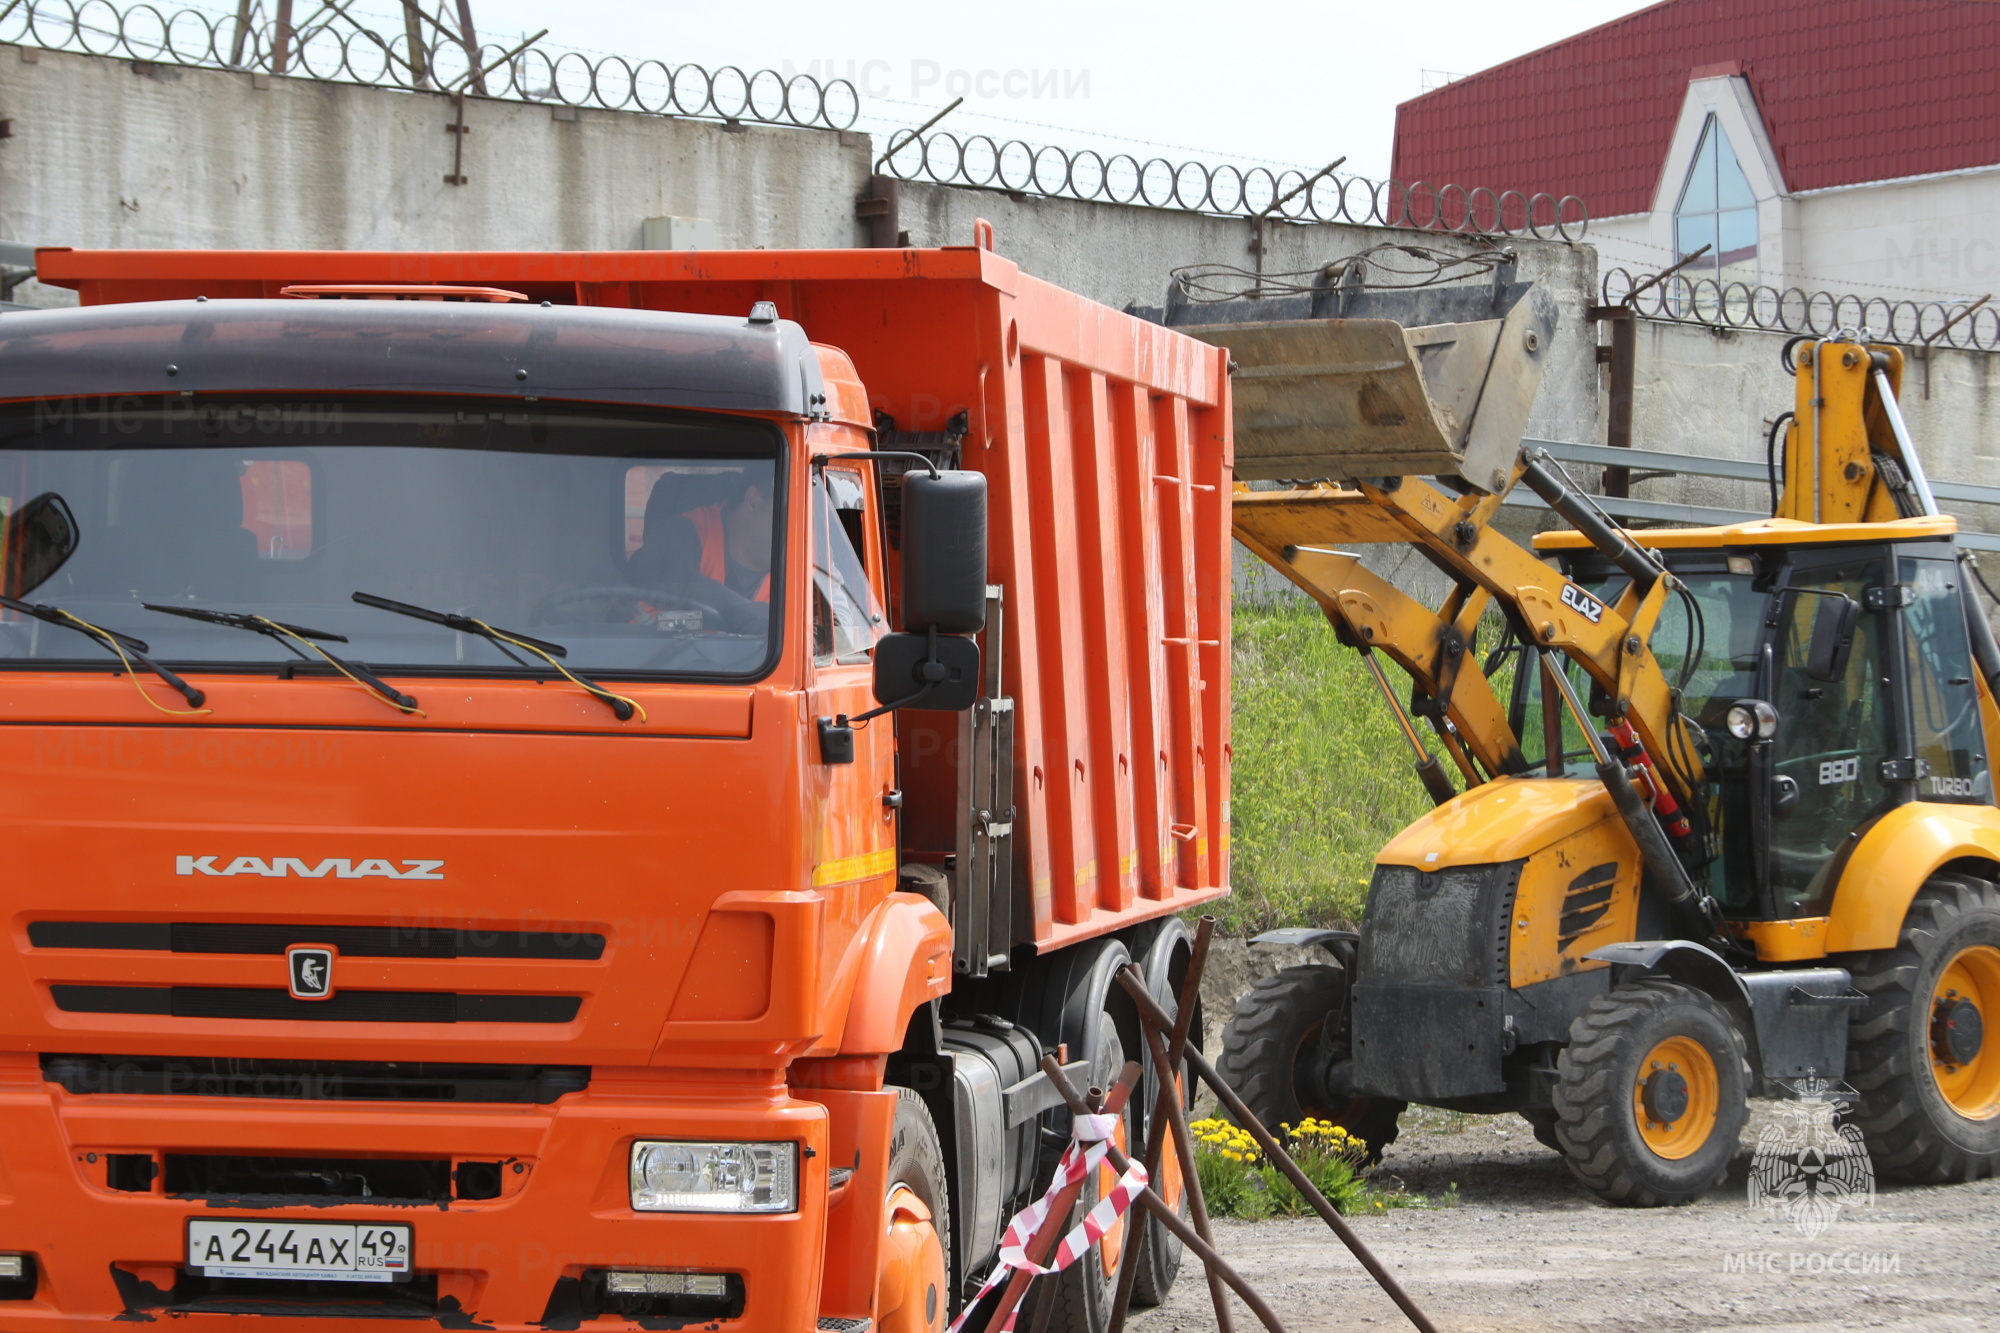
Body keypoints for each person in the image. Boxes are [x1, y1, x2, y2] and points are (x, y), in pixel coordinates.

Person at [629, 472, 772, 632]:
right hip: (653, 654)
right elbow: (675, 580)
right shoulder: (677, 534)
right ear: (753, 501)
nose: (802, 524)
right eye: (791, 508)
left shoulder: (800, 569)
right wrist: (752, 616)